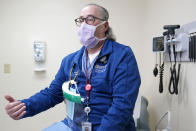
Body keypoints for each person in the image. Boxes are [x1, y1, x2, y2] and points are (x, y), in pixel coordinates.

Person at [4, 3, 141, 131]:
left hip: (109, 126)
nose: (83, 25)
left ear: (105, 26)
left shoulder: (122, 56)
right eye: (81, 20)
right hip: (74, 125)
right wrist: (25, 106)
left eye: (90, 19)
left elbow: (122, 107)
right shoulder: (70, 61)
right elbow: (52, 94)